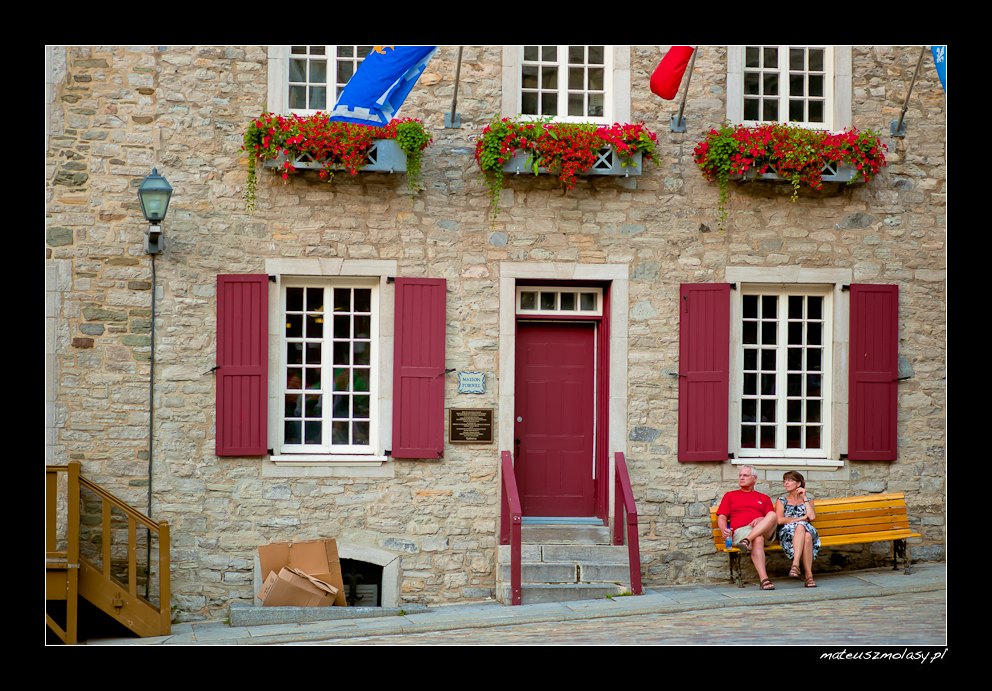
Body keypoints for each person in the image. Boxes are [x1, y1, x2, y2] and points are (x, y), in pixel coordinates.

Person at [717, 465, 779, 590]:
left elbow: (771, 518)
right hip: (741, 531)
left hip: (764, 532)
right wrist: (725, 530)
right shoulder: (730, 496)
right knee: (758, 539)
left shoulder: (764, 498)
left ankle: (747, 540)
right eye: (740, 475)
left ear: (754, 478)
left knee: (772, 514)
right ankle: (764, 579)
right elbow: (722, 516)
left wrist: (761, 519)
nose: (741, 478)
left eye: (745, 475)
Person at [776, 470, 821, 588]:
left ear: (798, 483)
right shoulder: (782, 500)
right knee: (805, 534)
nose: (786, 483)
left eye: (789, 480)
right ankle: (809, 576)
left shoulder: (808, 499)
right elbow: (780, 520)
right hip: (788, 533)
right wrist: (801, 518)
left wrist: (804, 497)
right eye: (784, 481)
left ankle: (795, 565)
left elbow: (811, 517)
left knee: (805, 533)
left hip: (807, 530)